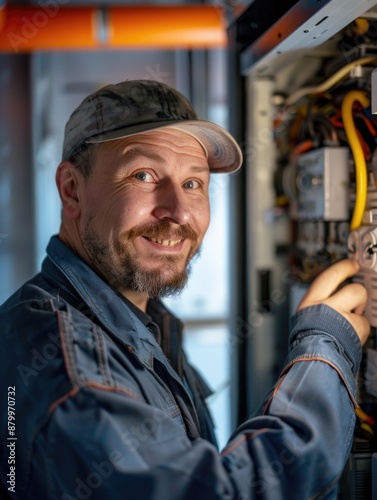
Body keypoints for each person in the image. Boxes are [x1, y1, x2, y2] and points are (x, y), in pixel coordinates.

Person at [0, 79, 370, 500]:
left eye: (194, 183)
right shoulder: (66, 364)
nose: (177, 212)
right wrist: (324, 351)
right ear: (72, 189)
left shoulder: (143, 322)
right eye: (144, 175)